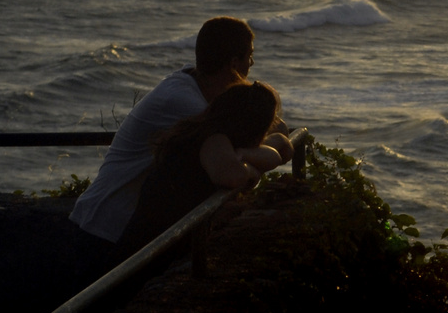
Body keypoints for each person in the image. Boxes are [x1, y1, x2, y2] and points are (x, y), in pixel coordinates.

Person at [70, 16, 290, 244]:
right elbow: (231, 160)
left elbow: (271, 129)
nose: (252, 64)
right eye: (250, 56)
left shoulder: (198, 86)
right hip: (107, 226)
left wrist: (266, 144)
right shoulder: (184, 103)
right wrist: (269, 149)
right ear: (234, 64)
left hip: (132, 221)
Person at [115, 81, 286, 259]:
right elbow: (232, 176)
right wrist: (251, 171)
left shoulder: (201, 131)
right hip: (153, 247)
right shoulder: (213, 140)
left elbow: (280, 150)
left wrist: (244, 154)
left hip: (154, 237)